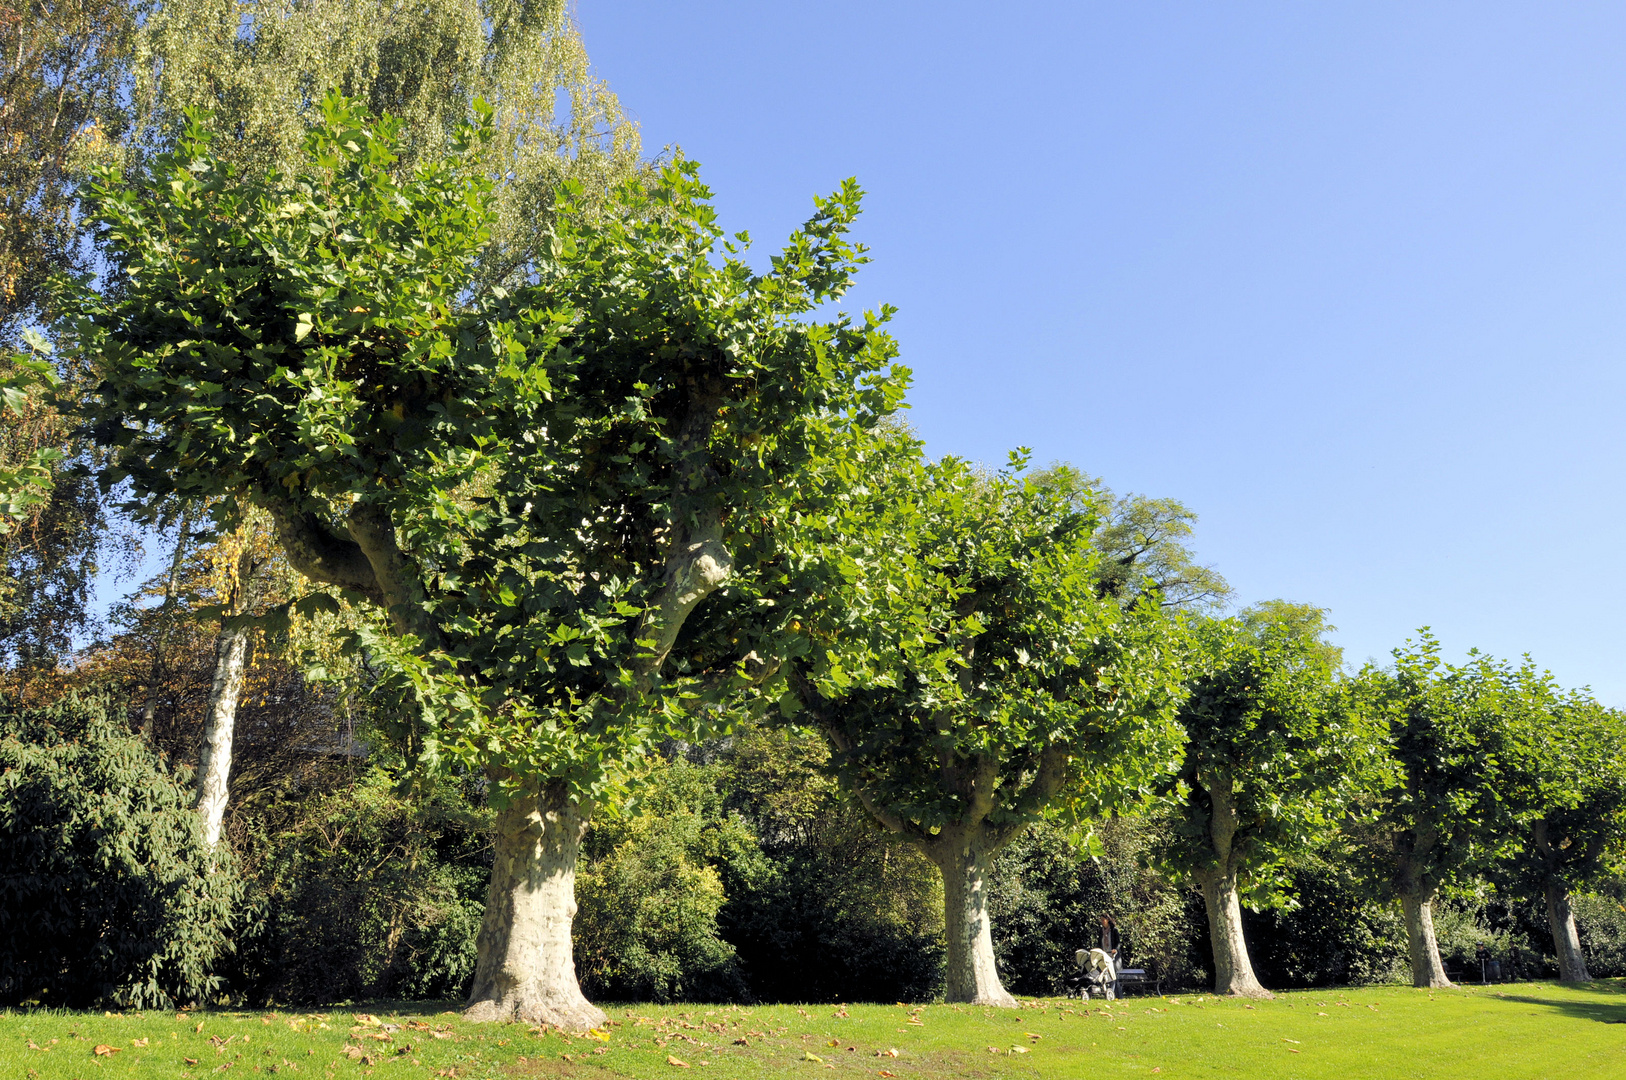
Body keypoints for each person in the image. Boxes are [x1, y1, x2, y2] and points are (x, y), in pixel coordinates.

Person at [1099, 916, 1122, 997]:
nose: (1102, 921)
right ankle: (1109, 991)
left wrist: (1115, 949)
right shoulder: (1101, 931)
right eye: (1101, 920)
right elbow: (1099, 943)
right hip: (1104, 955)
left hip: (1113, 955)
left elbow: (1118, 943)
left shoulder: (1114, 930)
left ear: (1107, 920)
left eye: (1103, 920)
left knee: (1113, 974)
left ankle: (1114, 992)